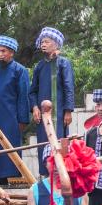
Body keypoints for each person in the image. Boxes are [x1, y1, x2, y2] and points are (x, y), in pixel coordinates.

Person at [29, 27, 75, 175]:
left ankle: (61, 174)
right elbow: (32, 91)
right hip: (43, 115)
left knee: (59, 141)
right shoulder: (40, 66)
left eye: (47, 41)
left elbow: (69, 87)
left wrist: (68, 110)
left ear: (56, 44)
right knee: (43, 142)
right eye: (42, 41)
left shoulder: (63, 63)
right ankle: (44, 175)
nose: (43, 44)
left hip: (60, 112)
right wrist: (35, 107)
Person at [0, 36, 32, 184]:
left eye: (3, 51)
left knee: (9, 146)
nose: (0, 54)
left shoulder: (20, 70)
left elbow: (23, 96)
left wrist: (23, 119)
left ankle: (10, 177)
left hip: (10, 116)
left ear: (12, 52)